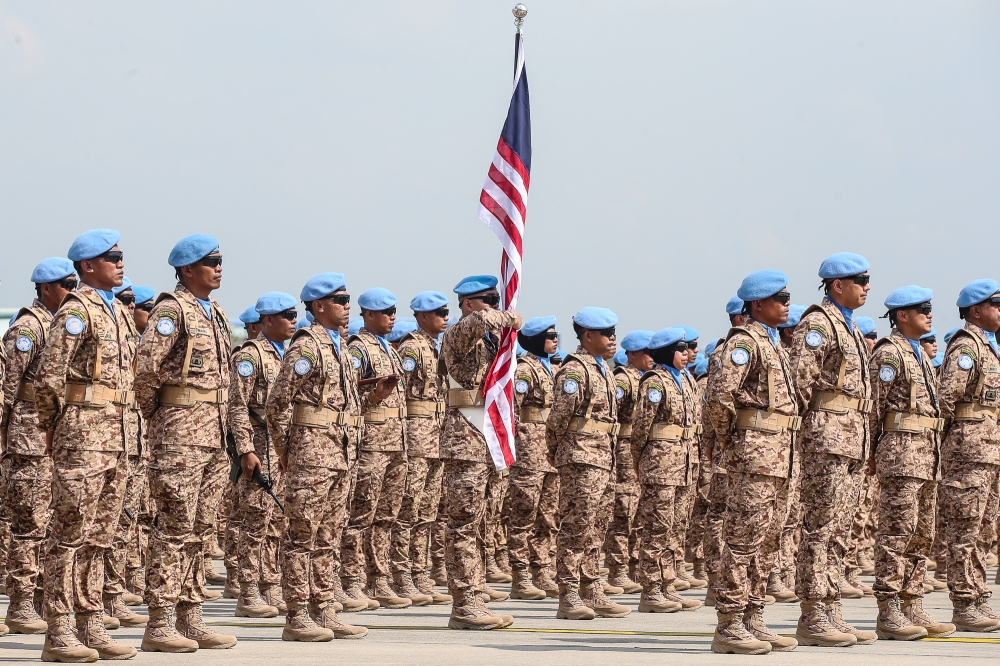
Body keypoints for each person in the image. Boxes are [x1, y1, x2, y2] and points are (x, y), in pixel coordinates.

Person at [34, 230, 138, 661]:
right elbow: (48, 378)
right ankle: (58, 630)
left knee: (100, 537)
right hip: (82, 437)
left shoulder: (118, 312)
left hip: (117, 438)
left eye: (121, 255)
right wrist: (54, 429)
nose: (120, 262)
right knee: (69, 534)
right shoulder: (77, 311)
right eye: (112, 257)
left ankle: (90, 622)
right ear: (88, 266)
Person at [134, 234, 237, 652]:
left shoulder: (215, 313)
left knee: (200, 530)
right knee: (173, 529)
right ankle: (159, 622)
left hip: (214, 437)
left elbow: (226, 384)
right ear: (188, 269)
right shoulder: (171, 310)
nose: (218, 267)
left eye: (220, 260)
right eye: (211, 262)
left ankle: (190, 617)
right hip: (179, 436)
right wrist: (159, 416)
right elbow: (145, 370)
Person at [264, 272, 368, 641]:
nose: (347, 306)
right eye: (340, 300)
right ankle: (296, 615)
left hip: (339, 453)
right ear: (319, 306)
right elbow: (277, 403)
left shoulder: (339, 346)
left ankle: (324, 609)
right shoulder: (307, 347)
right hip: (311, 454)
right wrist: (285, 450)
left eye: (348, 299)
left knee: (328, 537)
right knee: (301, 536)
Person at [705, 270, 800, 654]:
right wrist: (732, 440)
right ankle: (729, 623)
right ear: (758, 304)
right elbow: (719, 397)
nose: (787, 305)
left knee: (768, 541)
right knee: (743, 541)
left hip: (780, 455)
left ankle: (753, 616)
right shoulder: (744, 342)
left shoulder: (773, 344)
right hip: (756, 455)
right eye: (781, 299)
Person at [789, 252, 877, 647]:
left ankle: (832, 608)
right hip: (826, 439)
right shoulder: (818, 324)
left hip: (851, 438)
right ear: (838, 285)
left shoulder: (849, 325)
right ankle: (812, 614)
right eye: (860, 281)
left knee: (840, 529)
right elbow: (799, 384)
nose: (867, 287)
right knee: (820, 528)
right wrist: (803, 435)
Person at [867, 285, 955, 639]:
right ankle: (888, 609)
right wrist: (870, 451)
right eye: (922, 310)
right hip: (901, 456)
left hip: (926, 456)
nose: (929, 315)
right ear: (902, 315)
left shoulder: (919, 355)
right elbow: (874, 407)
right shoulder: (889, 354)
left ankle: (911, 603)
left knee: (922, 535)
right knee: (896, 533)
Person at [439, 275, 521, 630]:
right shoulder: (459, 334)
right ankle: (464, 603)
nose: (493, 305)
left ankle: (475, 594)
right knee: (462, 524)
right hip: (465, 439)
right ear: (468, 303)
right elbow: (479, 321)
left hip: (486, 439)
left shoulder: (491, 342)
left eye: (496, 299)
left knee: (479, 522)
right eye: (487, 300)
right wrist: (508, 315)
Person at [1, 258, 77, 636]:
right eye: (67, 284)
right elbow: (5, 386)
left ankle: (44, 600)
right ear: (46, 288)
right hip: (27, 439)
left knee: (51, 524)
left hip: (54, 439)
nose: (74, 290)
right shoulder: (28, 328)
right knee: (28, 524)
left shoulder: (63, 324)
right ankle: (20, 604)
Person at [546, 307, 630, 621]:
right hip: (581, 457)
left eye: (614, 332)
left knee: (597, 526)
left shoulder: (602, 368)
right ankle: (568, 594)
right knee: (576, 526)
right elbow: (558, 418)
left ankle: (591, 588)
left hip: (603, 457)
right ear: (588, 335)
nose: (612, 338)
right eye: (607, 333)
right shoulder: (575, 370)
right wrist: (556, 450)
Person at [228, 292, 297, 618]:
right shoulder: (250, 356)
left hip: (282, 449)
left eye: (294, 315)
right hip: (259, 448)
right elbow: (237, 405)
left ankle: (269, 584)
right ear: (268, 320)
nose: (293, 321)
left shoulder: (290, 355)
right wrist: (245, 449)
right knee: (254, 522)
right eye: (287, 316)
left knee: (277, 522)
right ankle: (247, 592)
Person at [936, 279, 1000, 632]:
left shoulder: (990, 346)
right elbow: (946, 399)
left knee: (984, 531)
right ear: (976, 310)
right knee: (965, 530)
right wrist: (948, 445)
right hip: (968, 451)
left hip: (989, 451)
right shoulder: (966, 346)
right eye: (996, 304)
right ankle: (963, 604)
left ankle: (978, 597)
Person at [342, 288, 412, 609]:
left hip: (396, 443)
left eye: (394, 311)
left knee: (386, 516)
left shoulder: (389, 350)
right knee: (360, 515)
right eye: (386, 312)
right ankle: (350, 580)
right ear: (368, 314)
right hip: (371, 444)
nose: (392, 317)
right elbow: (346, 399)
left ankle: (379, 580)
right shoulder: (358, 350)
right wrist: (374, 397)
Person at [630, 327, 702, 613]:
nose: (686, 354)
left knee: (676, 527)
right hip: (660, 465)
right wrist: (640, 460)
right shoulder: (655, 382)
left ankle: (668, 585)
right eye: (680, 349)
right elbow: (640, 428)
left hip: (685, 463)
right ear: (666, 352)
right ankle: (650, 590)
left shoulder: (686, 380)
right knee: (656, 528)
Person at [391, 291, 451, 605]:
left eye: (446, 312)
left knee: (427, 513)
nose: (445, 317)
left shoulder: (437, 347)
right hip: (415, 437)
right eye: (439, 312)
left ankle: (420, 574)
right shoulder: (411, 348)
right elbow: (398, 394)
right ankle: (401, 577)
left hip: (435, 437)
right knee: (408, 510)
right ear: (423, 317)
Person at [507, 316, 560, 600]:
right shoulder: (525, 369)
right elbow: (512, 410)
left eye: (555, 335)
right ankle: (520, 576)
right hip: (529, 452)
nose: (555, 340)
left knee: (547, 517)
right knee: (523, 514)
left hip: (549, 452)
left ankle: (542, 571)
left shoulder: (551, 368)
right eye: (549, 336)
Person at [604, 330, 655, 595]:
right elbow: (611, 414)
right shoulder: (624, 379)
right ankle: (617, 570)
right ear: (632, 354)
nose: (651, 357)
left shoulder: (646, 378)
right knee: (623, 509)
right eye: (647, 353)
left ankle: (633, 567)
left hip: (639, 450)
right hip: (624, 449)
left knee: (638, 511)